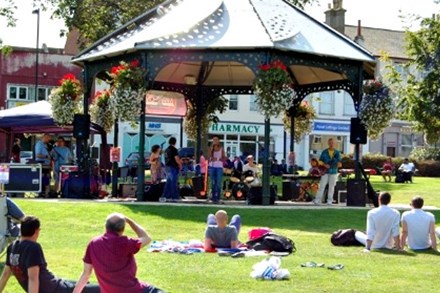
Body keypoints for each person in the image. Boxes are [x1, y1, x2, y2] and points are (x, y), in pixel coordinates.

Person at [0, 215, 100, 293]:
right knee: (99, 289)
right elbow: (33, 279)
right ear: (36, 231)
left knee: (84, 284)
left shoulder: (12, 247)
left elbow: (5, 276)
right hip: (56, 290)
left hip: (57, 283)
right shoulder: (33, 247)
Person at [74, 213, 163, 293]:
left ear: (106, 226)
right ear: (123, 228)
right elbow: (146, 238)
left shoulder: (93, 243)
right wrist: (129, 221)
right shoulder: (125, 243)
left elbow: (86, 274)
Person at [313, 138, 341, 205]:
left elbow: (339, 162)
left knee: (331, 187)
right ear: (328, 143)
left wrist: (339, 164)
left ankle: (329, 201)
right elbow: (319, 161)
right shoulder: (324, 152)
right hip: (325, 172)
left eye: (333, 143)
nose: (331, 144)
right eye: (330, 143)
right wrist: (324, 164)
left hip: (334, 172)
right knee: (322, 186)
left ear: (335, 144)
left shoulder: (337, 153)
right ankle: (317, 200)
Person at [161, 137, 182, 202]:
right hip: (173, 167)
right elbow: (176, 158)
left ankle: (165, 195)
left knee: (169, 182)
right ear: (175, 142)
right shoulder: (174, 150)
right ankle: (174, 196)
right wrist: (180, 165)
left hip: (167, 166)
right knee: (174, 182)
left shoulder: (166, 150)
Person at [208, 136, 226, 203]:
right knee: (212, 182)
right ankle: (213, 197)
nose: (215, 141)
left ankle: (218, 197)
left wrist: (220, 159)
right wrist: (211, 158)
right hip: (212, 166)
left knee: (218, 182)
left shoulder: (221, 149)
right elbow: (209, 157)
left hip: (219, 167)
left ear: (219, 141)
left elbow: (224, 158)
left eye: (216, 140)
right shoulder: (211, 148)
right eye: (213, 140)